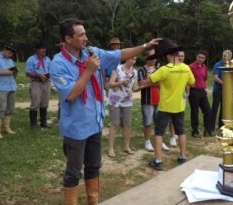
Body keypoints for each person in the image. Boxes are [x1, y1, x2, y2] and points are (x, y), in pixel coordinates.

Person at [49, 18, 160, 205]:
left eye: (85, 33)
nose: (86, 38)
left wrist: (144, 46)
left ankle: (93, 201)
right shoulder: (58, 63)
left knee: (94, 167)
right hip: (76, 128)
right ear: (68, 39)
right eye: (81, 35)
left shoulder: (91, 53)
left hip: (95, 123)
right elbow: (71, 95)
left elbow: (120, 54)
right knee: (73, 171)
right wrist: (89, 70)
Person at [139, 39, 195, 171]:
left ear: (169, 55)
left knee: (159, 134)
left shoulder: (164, 69)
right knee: (181, 132)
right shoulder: (186, 68)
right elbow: (192, 83)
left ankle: (158, 160)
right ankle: (182, 156)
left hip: (165, 107)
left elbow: (148, 81)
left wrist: (142, 81)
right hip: (179, 106)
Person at [137, 50, 170, 151]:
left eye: (155, 57)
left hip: (159, 100)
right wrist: (154, 81)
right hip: (147, 100)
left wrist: (150, 81)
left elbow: (162, 84)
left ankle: (160, 141)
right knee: (147, 122)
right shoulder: (142, 70)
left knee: (159, 123)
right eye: (151, 57)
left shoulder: (159, 69)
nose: (154, 59)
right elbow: (141, 84)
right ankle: (147, 141)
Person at [106, 57, 139, 158]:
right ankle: (110, 148)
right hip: (115, 99)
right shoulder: (117, 68)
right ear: (126, 59)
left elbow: (134, 88)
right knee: (114, 124)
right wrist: (120, 82)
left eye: (135, 59)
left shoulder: (135, 72)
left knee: (128, 124)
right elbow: (109, 84)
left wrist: (144, 85)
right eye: (131, 59)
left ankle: (126, 147)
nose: (133, 61)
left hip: (127, 100)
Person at [25, 43, 52, 128]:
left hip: (47, 83)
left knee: (45, 102)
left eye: (44, 48)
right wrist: (38, 75)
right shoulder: (31, 59)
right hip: (36, 83)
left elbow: (51, 70)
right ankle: (33, 123)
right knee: (35, 103)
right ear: (37, 50)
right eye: (41, 48)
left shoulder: (48, 59)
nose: (44, 50)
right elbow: (28, 73)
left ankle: (43, 123)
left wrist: (48, 75)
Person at [188, 50, 214, 137]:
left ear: (205, 59)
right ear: (196, 57)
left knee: (208, 111)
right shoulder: (190, 67)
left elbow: (205, 79)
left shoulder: (204, 67)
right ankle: (195, 131)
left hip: (202, 91)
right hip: (193, 91)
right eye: (199, 57)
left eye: (202, 58)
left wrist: (206, 88)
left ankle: (207, 130)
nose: (200, 59)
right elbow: (187, 81)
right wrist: (187, 93)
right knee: (195, 112)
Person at [211, 50, 232, 131]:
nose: (224, 57)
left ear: (230, 57)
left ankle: (221, 126)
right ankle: (211, 127)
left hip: (226, 91)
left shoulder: (230, 65)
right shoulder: (217, 65)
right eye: (223, 55)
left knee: (224, 109)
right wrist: (226, 84)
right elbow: (215, 78)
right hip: (218, 90)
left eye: (226, 56)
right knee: (215, 108)